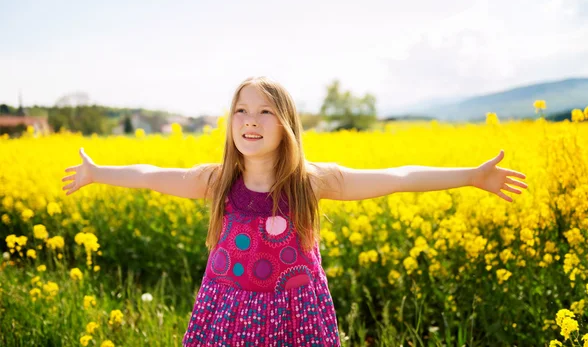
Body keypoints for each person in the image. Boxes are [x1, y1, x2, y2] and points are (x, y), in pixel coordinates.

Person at [62, 76, 528, 346]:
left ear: (286, 125)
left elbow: (397, 178)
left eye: (264, 113)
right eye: (241, 111)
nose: (249, 120)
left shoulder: (309, 182)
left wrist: (472, 175)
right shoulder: (218, 181)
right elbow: (149, 175)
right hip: (227, 312)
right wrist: (98, 171)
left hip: (295, 314)